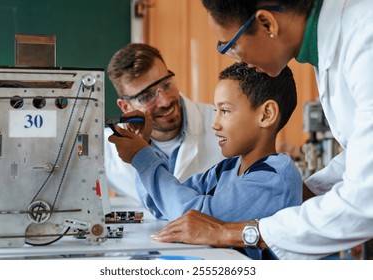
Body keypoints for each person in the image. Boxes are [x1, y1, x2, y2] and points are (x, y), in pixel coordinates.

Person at [151, 0, 373, 260]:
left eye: (230, 45)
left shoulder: (364, 39)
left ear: (267, 23)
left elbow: (364, 201)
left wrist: (233, 232)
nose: (235, 58)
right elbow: (360, 153)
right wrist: (310, 190)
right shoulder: (326, 46)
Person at [109, 62, 302, 259]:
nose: (214, 123)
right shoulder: (226, 169)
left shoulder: (273, 177)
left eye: (224, 111)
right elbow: (163, 205)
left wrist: (143, 158)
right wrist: (144, 145)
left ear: (266, 114)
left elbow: (193, 217)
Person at [104, 43, 224, 202]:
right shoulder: (106, 149)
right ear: (126, 106)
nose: (165, 102)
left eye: (166, 85)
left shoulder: (222, 125)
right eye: (146, 96)